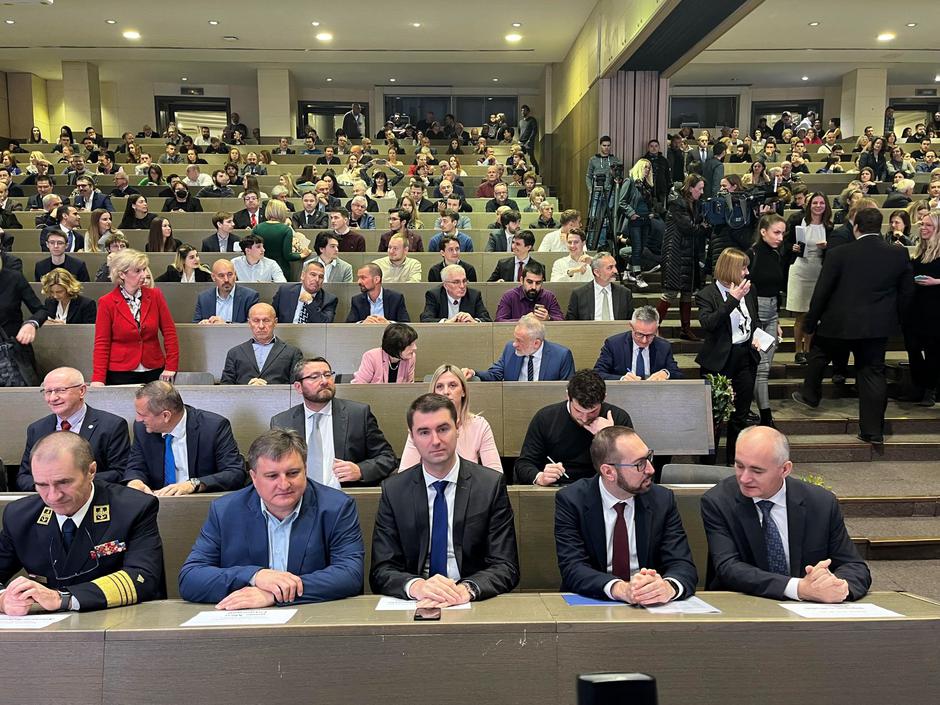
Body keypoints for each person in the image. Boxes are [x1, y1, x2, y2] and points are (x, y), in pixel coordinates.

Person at [178, 429, 364, 609]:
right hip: (247, 620)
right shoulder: (225, 511)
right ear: (254, 477)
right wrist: (255, 576)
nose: (284, 484)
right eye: (272, 476)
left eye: (293, 473)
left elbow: (350, 575)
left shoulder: (336, 507)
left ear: (305, 470)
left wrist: (275, 594)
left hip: (311, 616)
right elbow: (190, 578)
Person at [370, 393, 519, 604]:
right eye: (424, 432)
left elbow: (506, 566)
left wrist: (466, 590)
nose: (436, 441)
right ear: (412, 437)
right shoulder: (394, 490)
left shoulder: (489, 485)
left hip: (469, 598)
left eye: (443, 429)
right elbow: (381, 569)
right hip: (417, 599)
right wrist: (416, 586)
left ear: (457, 428)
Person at [701, 426, 871, 602]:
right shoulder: (719, 501)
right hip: (745, 604)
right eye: (739, 466)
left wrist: (837, 587)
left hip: (812, 610)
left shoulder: (821, 503)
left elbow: (854, 566)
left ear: (785, 469)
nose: (744, 478)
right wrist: (798, 588)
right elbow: (728, 568)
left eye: (757, 471)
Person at [0, 432, 165, 614]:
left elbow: (142, 577)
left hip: (119, 618)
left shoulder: (132, 508)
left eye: (63, 482)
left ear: (91, 471)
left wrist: (63, 598)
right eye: (42, 485)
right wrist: (3, 600)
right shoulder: (19, 516)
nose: (53, 496)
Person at [793, 208, 914, 443]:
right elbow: (907, 293)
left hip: (838, 323)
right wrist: (899, 321)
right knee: (872, 374)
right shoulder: (898, 254)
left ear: (856, 227)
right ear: (881, 227)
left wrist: (810, 321)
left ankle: (810, 395)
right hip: (876, 327)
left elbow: (822, 291)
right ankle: (873, 431)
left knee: (819, 353)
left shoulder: (839, 253)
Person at [555, 426, 697, 603]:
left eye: (649, 458)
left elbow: (682, 564)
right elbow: (573, 568)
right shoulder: (572, 500)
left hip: (650, 605)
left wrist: (667, 587)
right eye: (640, 464)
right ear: (609, 472)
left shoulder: (662, 499)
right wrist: (621, 589)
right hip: (592, 601)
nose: (651, 469)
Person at [270, 357, 397, 487]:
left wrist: (360, 470)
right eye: (314, 377)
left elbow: (387, 457)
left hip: (343, 494)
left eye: (327, 375)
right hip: (299, 494)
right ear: (298, 387)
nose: (324, 381)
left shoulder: (358, 414)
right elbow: (272, 466)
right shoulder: (282, 422)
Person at [696, 248, 762, 464]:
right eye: (743, 268)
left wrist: (758, 336)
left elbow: (755, 320)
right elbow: (709, 324)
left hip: (745, 358)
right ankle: (707, 466)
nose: (747, 272)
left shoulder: (749, 290)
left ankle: (734, 463)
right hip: (718, 362)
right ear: (731, 269)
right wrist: (732, 300)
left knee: (740, 416)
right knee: (714, 418)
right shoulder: (707, 294)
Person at [124, 381, 247, 495]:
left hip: (199, 501)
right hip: (157, 502)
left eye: (142, 415)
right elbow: (136, 466)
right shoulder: (142, 429)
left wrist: (194, 484)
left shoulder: (213, 427)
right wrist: (135, 481)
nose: (138, 419)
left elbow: (235, 473)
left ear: (166, 416)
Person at [17, 367, 130, 491]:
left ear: (81, 391)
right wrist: (47, 486)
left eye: (60, 390)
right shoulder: (37, 429)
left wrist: (75, 483)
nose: (53, 398)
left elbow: (120, 472)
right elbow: (24, 477)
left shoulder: (112, 425)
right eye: (48, 391)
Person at [515, 370, 633, 486]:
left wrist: (609, 436)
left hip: (603, 487)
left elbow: (632, 466)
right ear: (568, 396)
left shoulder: (618, 418)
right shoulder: (546, 418)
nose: (584, 419)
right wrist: (540, 477)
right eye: (578, 411)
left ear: (604, 398)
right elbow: (524, 463)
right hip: (558, 486)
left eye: (592, 412)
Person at [92, 249, 179, 386]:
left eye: (144, 269)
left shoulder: (155, 295)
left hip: (154, 368)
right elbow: (102, 343)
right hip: (120, 372)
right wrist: (98, 379)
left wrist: (171, 366)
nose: (144, 275)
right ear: (122, 274)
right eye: (138, 271)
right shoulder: (106, 302)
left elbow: (170, 332)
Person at [747, 214, 787, 427]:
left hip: (771, 313)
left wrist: (777, 320)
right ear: (763, 232)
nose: (780, 237)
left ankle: (758, 410)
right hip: (755, 316)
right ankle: (766, 416)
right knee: (761, 368)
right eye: (776, 232)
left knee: (764, 367)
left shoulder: (776, 254)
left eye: (783, 233)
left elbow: (776, 290)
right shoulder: (751, 254)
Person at [658, 174, 709, 340]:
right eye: (700, 188)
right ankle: (653, 326)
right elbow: (689, 228)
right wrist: (703, 226)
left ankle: (685, 329)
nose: (702, 192)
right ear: (691, 188)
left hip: (687, 252)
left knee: (687, 292)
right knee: (671, 292)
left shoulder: (693, 203)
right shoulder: (677, 203)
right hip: (675, 253)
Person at [465, 314, 574, 382]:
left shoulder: (562, 356)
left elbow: (566, 390)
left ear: (536, 343)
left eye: (519, 341)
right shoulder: (510, 349)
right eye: (515, 339)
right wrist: (474, 373)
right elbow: (495, 374)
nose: (514, 344)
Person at [904, 212, 940, 407]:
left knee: (933, 350)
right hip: (916, 307)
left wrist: (936, 282)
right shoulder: (919, 251)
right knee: (913, 347)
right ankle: (918, 386)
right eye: (922, 224)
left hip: (935, 309)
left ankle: (930, 390)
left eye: (928, 225)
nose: (923, 228)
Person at [219, 303, 302, 386]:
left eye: (266, 320)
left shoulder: (292, 353)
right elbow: (225, 387)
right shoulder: (234, 353)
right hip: (243, 394)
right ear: (249, 323)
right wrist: (247, 389)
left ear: (275, 322)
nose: (261, 326)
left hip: (278, 394)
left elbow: (298, 387)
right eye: (256, 321)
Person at [593, 305, 681, 381]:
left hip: (654, 392)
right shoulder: (614, 344)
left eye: (650, 335)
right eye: (639, 334)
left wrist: (666, 373)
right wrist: (622, 379)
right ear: (631, 326)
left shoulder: (664, 346)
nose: (644, 340)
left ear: (657, 329)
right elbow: (597, 373)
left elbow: (677, 373)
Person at [565, 253, 633, 321]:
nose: (615, 271)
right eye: (609, 268)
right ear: (597, 272)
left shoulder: (624, 293)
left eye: (615, 266)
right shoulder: (579, 294)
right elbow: (570, 323)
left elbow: (631, 322)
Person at [254, 199, 309, 280]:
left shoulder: (257, 228)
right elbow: (288, 255)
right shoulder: (286, 230)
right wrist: (302, 255)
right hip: (281, 269)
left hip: (261, 268)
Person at [193, 259, 258, 325]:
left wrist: (226, 325)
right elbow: (195, 325)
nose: (226, 280)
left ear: (235, 275)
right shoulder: (204, 298)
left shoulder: (249, 297)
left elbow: (253, 324)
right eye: (221, 276)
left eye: (230, 275)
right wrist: (202, 324)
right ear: (213, 277)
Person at [494, 261, 564, 322]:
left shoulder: (549, 297)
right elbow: (499, 321)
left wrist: (549, 318)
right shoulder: (509, 296)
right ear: (521, 280)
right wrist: (524, 320)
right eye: (530, 282)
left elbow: (561, 321)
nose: (534, 287)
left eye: (538, 283)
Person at [273, 259, 338, 324]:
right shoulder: (285, 291)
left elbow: (325, 325)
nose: (317, 279)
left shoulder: (329, 300)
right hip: (286, 330)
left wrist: (310, 303)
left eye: (321, 277)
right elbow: (272, 316)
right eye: (313, 275)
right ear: (303, 276)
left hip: (312, 331)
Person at [420, 264, 491, 323]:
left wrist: (474, 321)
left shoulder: (474, 295)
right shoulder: (434, 295)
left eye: (464, 281)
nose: (462, 286)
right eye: (456, 282)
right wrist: (446, 322)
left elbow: (487, 320)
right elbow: (425, 319)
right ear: (445, 285)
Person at [352, 323, 418, 384]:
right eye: (410, 345)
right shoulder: (371, 356)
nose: (415, 348)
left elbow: (410, 385)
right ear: (396, 346)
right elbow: (359, 384)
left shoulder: (411, 357)